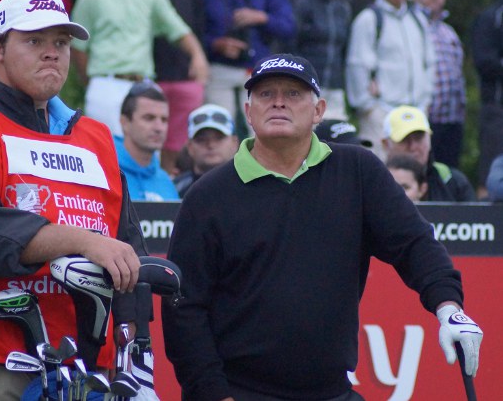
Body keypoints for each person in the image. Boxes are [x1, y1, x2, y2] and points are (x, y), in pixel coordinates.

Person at [161, 53, 483, 401]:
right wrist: (213, 394)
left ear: (319, 111)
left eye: (294, 93)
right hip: (238, 391)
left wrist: (448, 306)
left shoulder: (358, 170)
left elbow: (414, 243)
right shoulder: (208, 195)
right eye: (266, 94)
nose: (279, 102)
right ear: (248, 110)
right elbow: (184, 307)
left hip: (332, 390)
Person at [0, 0, 144, 400]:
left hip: (87, 365)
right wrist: (80, 241)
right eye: (34, 41)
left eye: (60, 43)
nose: (52, 53)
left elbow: (125, 248)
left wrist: (133, 358)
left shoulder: (97, 139)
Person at [70, 0, 209, 138]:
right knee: (105, 148)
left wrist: (198, 55)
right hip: (105, 84)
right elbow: (78, 47)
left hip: (144, 84)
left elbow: (178, 29)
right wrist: (92, 82)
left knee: (149, 149)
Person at [346, 0, 434, 161]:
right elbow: (357, 64)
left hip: (415, 112)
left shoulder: (417, 19)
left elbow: (429, 63)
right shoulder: (368, 19)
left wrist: (425, 102)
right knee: (379, 170)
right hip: (383, 113)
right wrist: (368, 107)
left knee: (416, 173)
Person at [199, 0, 296, 136]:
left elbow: (289, 27)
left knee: (262, 130)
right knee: (219, 129)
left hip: (257, 68)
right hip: (218, 68)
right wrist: (216, 44)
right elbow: (190, 29)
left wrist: (263, 18)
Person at [145, 0, 206, 176]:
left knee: (177, 140)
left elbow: (198, 26)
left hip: (185, 74)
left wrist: (199, 57)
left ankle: (166, 179)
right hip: (150, 74)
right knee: (148, 134)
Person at [414, 0, 466, 169]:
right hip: (424, 117)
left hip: (452, 119)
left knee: (448, 173)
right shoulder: (413, 26)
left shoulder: (449, 32)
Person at [382, 105, 476, 202]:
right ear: (385, 144)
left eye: (419, 137)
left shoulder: (453, 181)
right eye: (404, 139)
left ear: (429, 139)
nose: (413, 146)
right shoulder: (374, 183)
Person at [293, 0, 352, 121]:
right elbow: (290, 45)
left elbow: (346, 50)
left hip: (335, 85)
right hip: (307, 84)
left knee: (337, 132)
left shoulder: (343, 8)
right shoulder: (302, 5)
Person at [115, 81, 180, 201]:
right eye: (149, 118)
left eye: (164, 120)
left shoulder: (166, 182)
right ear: (125, 122)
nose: (159, 128)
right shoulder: (103, 174)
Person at [471, 0, 503, 200]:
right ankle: (484, 224)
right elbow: (483, 61)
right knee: (490, 174)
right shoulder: (491, 17)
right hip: (497, 108)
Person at [174, 104, 239, 198]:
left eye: (219, 138)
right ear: (189, 147)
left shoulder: (252, 186)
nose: (210, 145)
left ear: (235, 143)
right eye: (201, 139)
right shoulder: (174, 189)